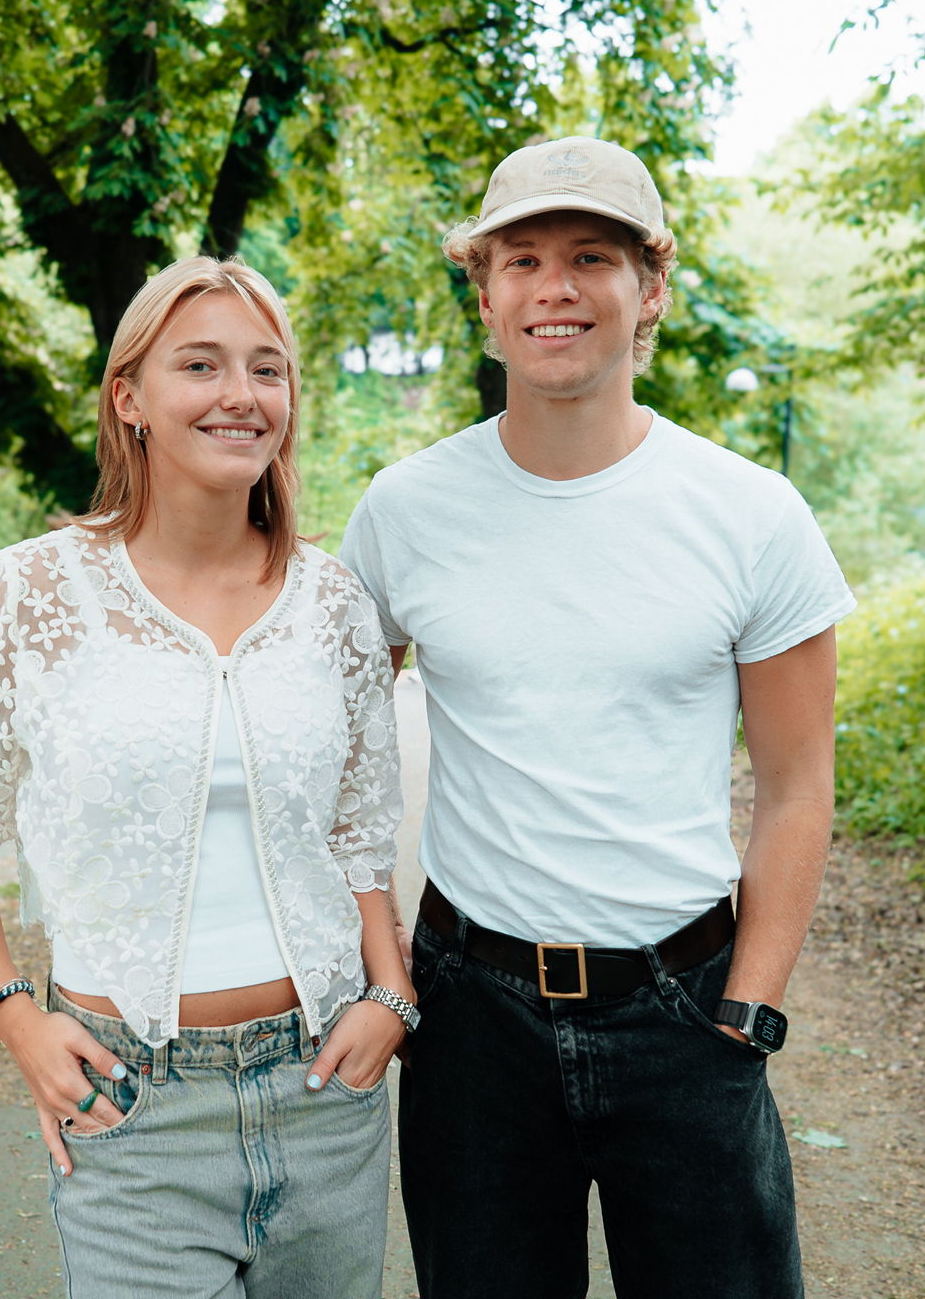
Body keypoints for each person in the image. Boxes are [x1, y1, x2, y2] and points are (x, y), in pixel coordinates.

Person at [340, 136, 855, 1298]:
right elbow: (324, 753)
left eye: (590, 257)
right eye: (518, 259)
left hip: (683, 1014)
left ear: (649, 286)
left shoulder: (749, 516)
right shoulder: (404, 510)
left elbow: (796, 784)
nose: (553, 288)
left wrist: (747, 1010)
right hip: (469, 1020)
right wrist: (381, 969)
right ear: (482, 293)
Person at [0, 255, 413, 1298]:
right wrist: (16, 1018)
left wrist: (392, 994)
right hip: (129, 1102)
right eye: (201, 364)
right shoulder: (31, 592)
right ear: (129, 397)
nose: (240, 394)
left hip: (324, 1087)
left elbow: (360, 829)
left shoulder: (331, 603)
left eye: (265, 369)